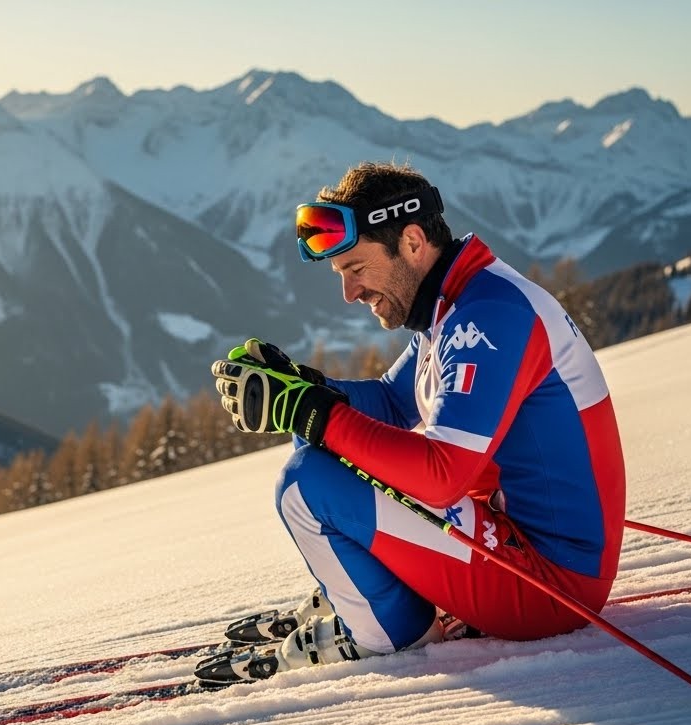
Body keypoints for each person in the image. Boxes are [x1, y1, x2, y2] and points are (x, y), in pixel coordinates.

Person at [208, 161, 626, 680]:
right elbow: (389, 400)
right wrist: (303, 389)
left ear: (410, 241)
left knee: (304, 483)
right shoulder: (457, 304)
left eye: (356, 269)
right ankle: (369, 591)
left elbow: (443, 473)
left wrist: (317, 411)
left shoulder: (488, 318)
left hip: (551, 589)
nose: (350, 293)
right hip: (516, 544)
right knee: (316, 440)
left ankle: (388, 631)